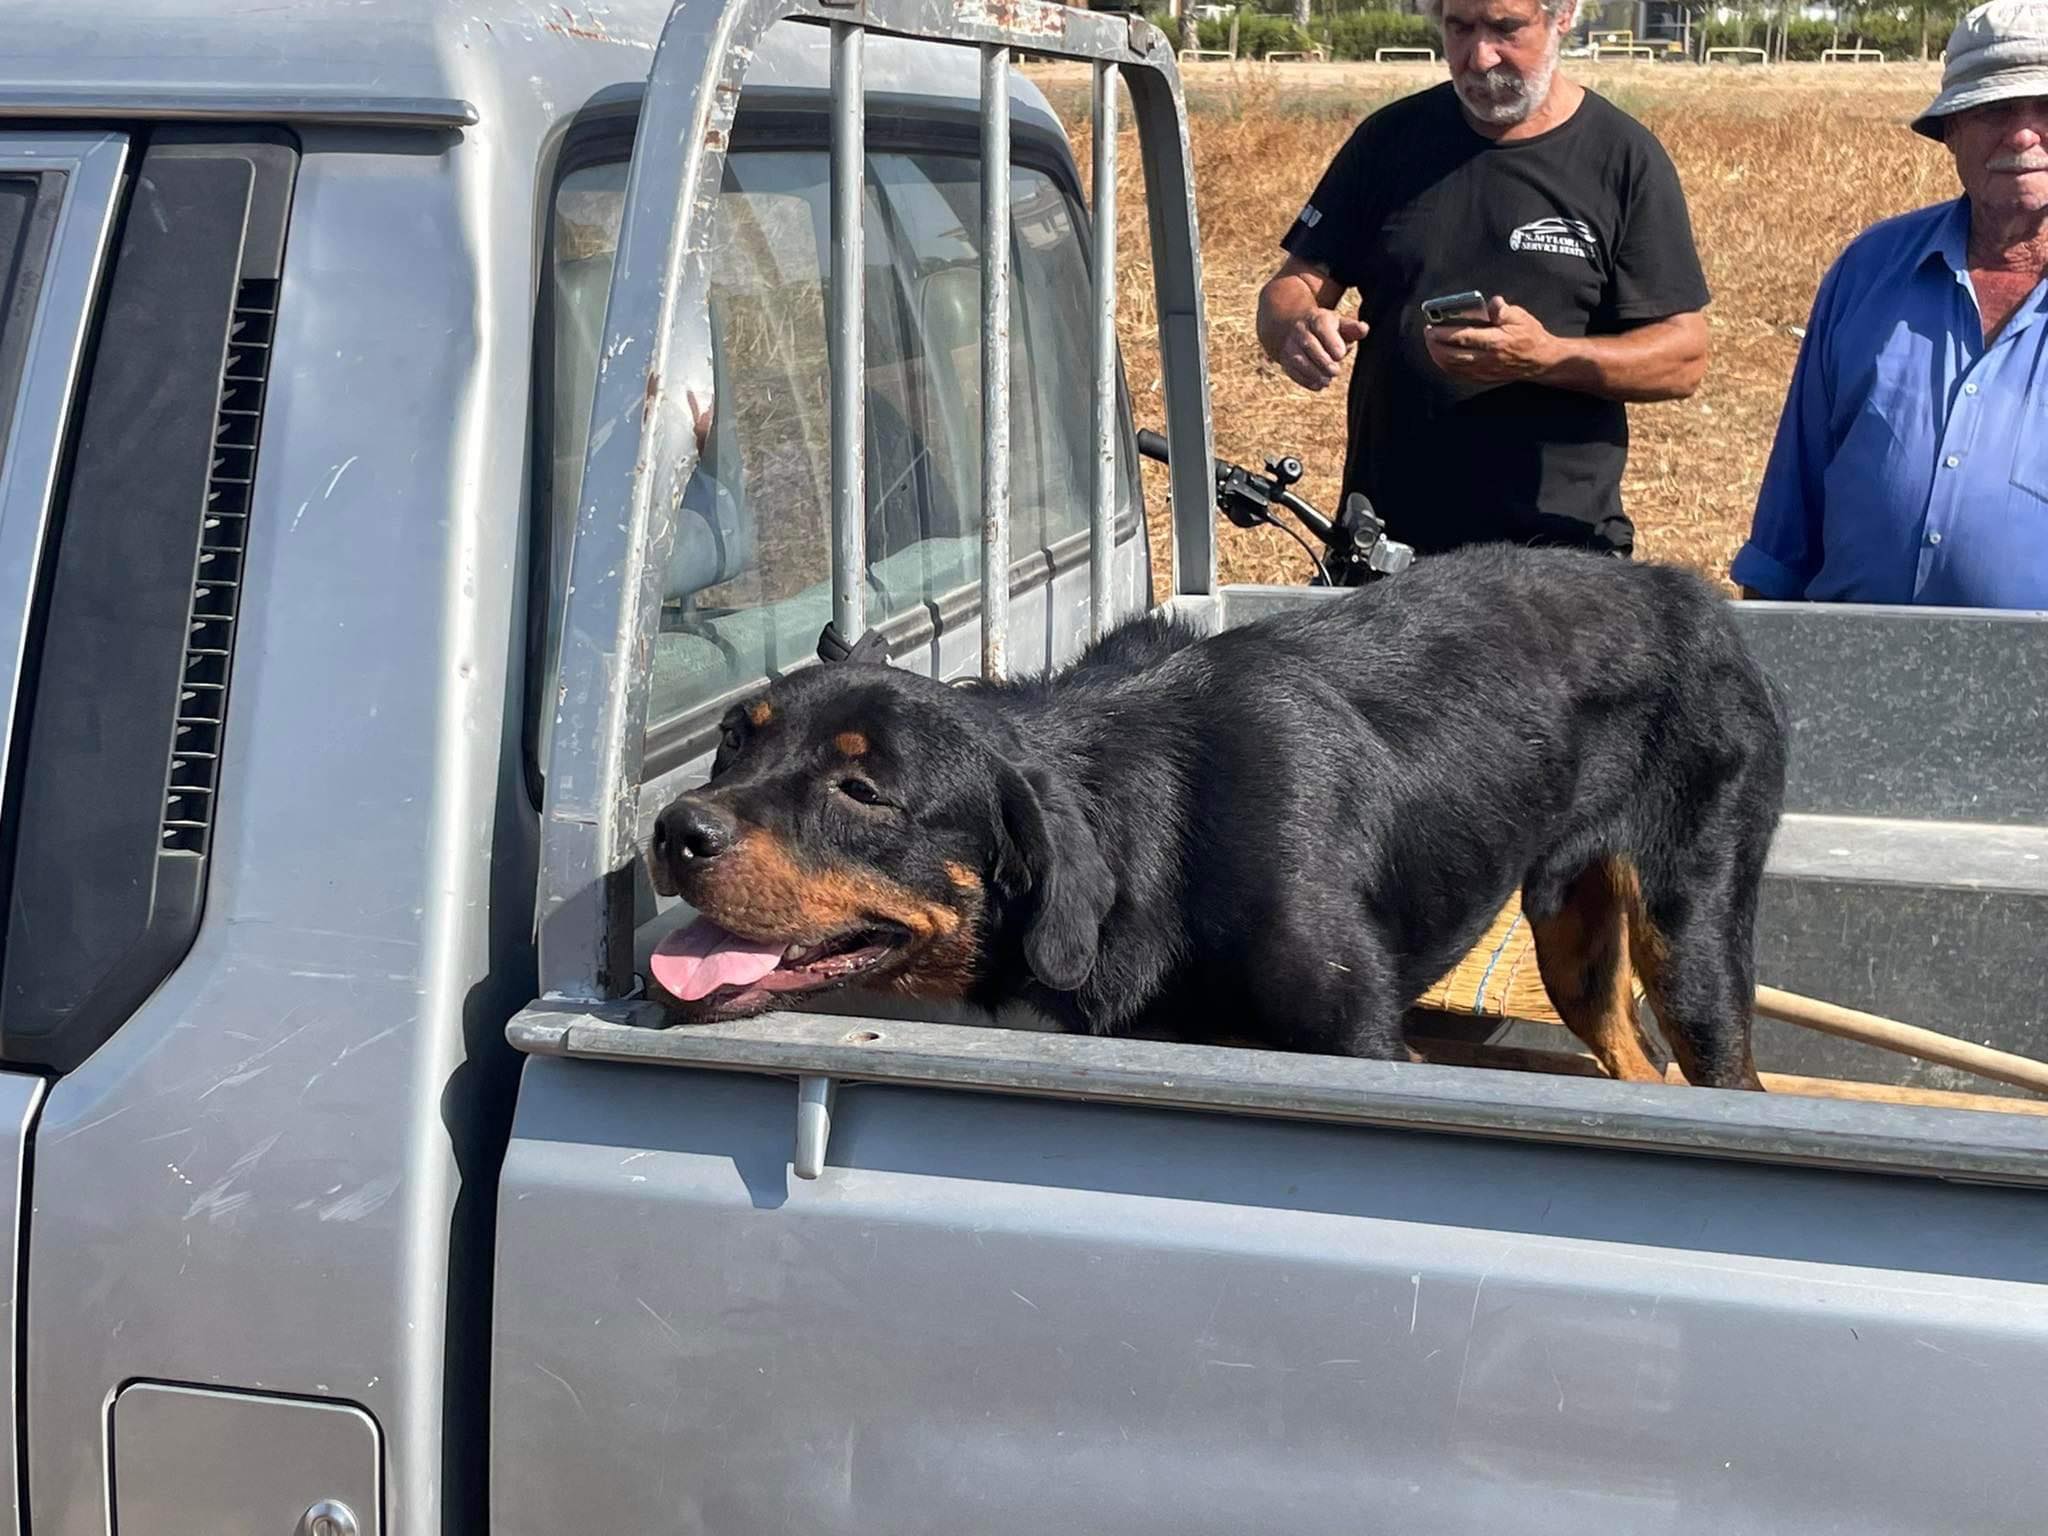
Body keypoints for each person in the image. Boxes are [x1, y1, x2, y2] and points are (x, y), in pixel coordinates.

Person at [1255, 0, 1710, 559]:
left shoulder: (1623, 158)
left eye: (1505, 28)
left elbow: (1685, 357)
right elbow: (1290, 289)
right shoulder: (1388, 142)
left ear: (1563, 14)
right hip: (1392, 555)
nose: (1479, 56)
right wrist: (1296, 328)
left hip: (1559, 562)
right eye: (1459, 28)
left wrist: (1544, 357)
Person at [1732, 0, 2048, 609]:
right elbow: (1790, 513)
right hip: (1856, 675)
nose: (2025, 133)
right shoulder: (1869, 270)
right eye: (1996, 109)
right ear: (1951, 129)